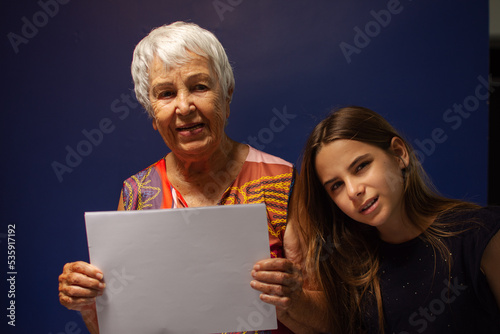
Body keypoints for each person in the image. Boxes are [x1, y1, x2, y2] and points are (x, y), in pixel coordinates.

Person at [58, 21, 314, 334]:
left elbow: (323, 314)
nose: (184, 106)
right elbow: (123, 327)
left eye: (199, 87)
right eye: (166, 93)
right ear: (152, 114)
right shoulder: (137, 192)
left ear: (227, 96)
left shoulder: (282, 180)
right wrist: (89, 304)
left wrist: (293, 298)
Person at [288, 106, 500, 333]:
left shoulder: (479, 234)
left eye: (361, 166)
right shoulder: (350, 271)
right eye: (336, 185)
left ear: (399, 154)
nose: (353, 191)